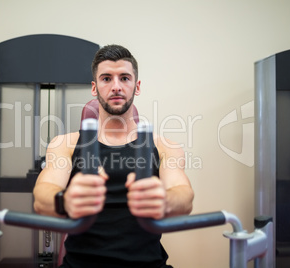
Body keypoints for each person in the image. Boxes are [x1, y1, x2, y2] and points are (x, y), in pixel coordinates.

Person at [33, 44, 194, 268]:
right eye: (106, 78)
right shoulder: (66, 144)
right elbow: (42, 196)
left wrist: (164, 201)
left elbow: (184, 197)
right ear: (94, 87)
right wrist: (66, 200)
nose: (116, 87)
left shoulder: (164, 146)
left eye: (125, 78)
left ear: (136, 86)